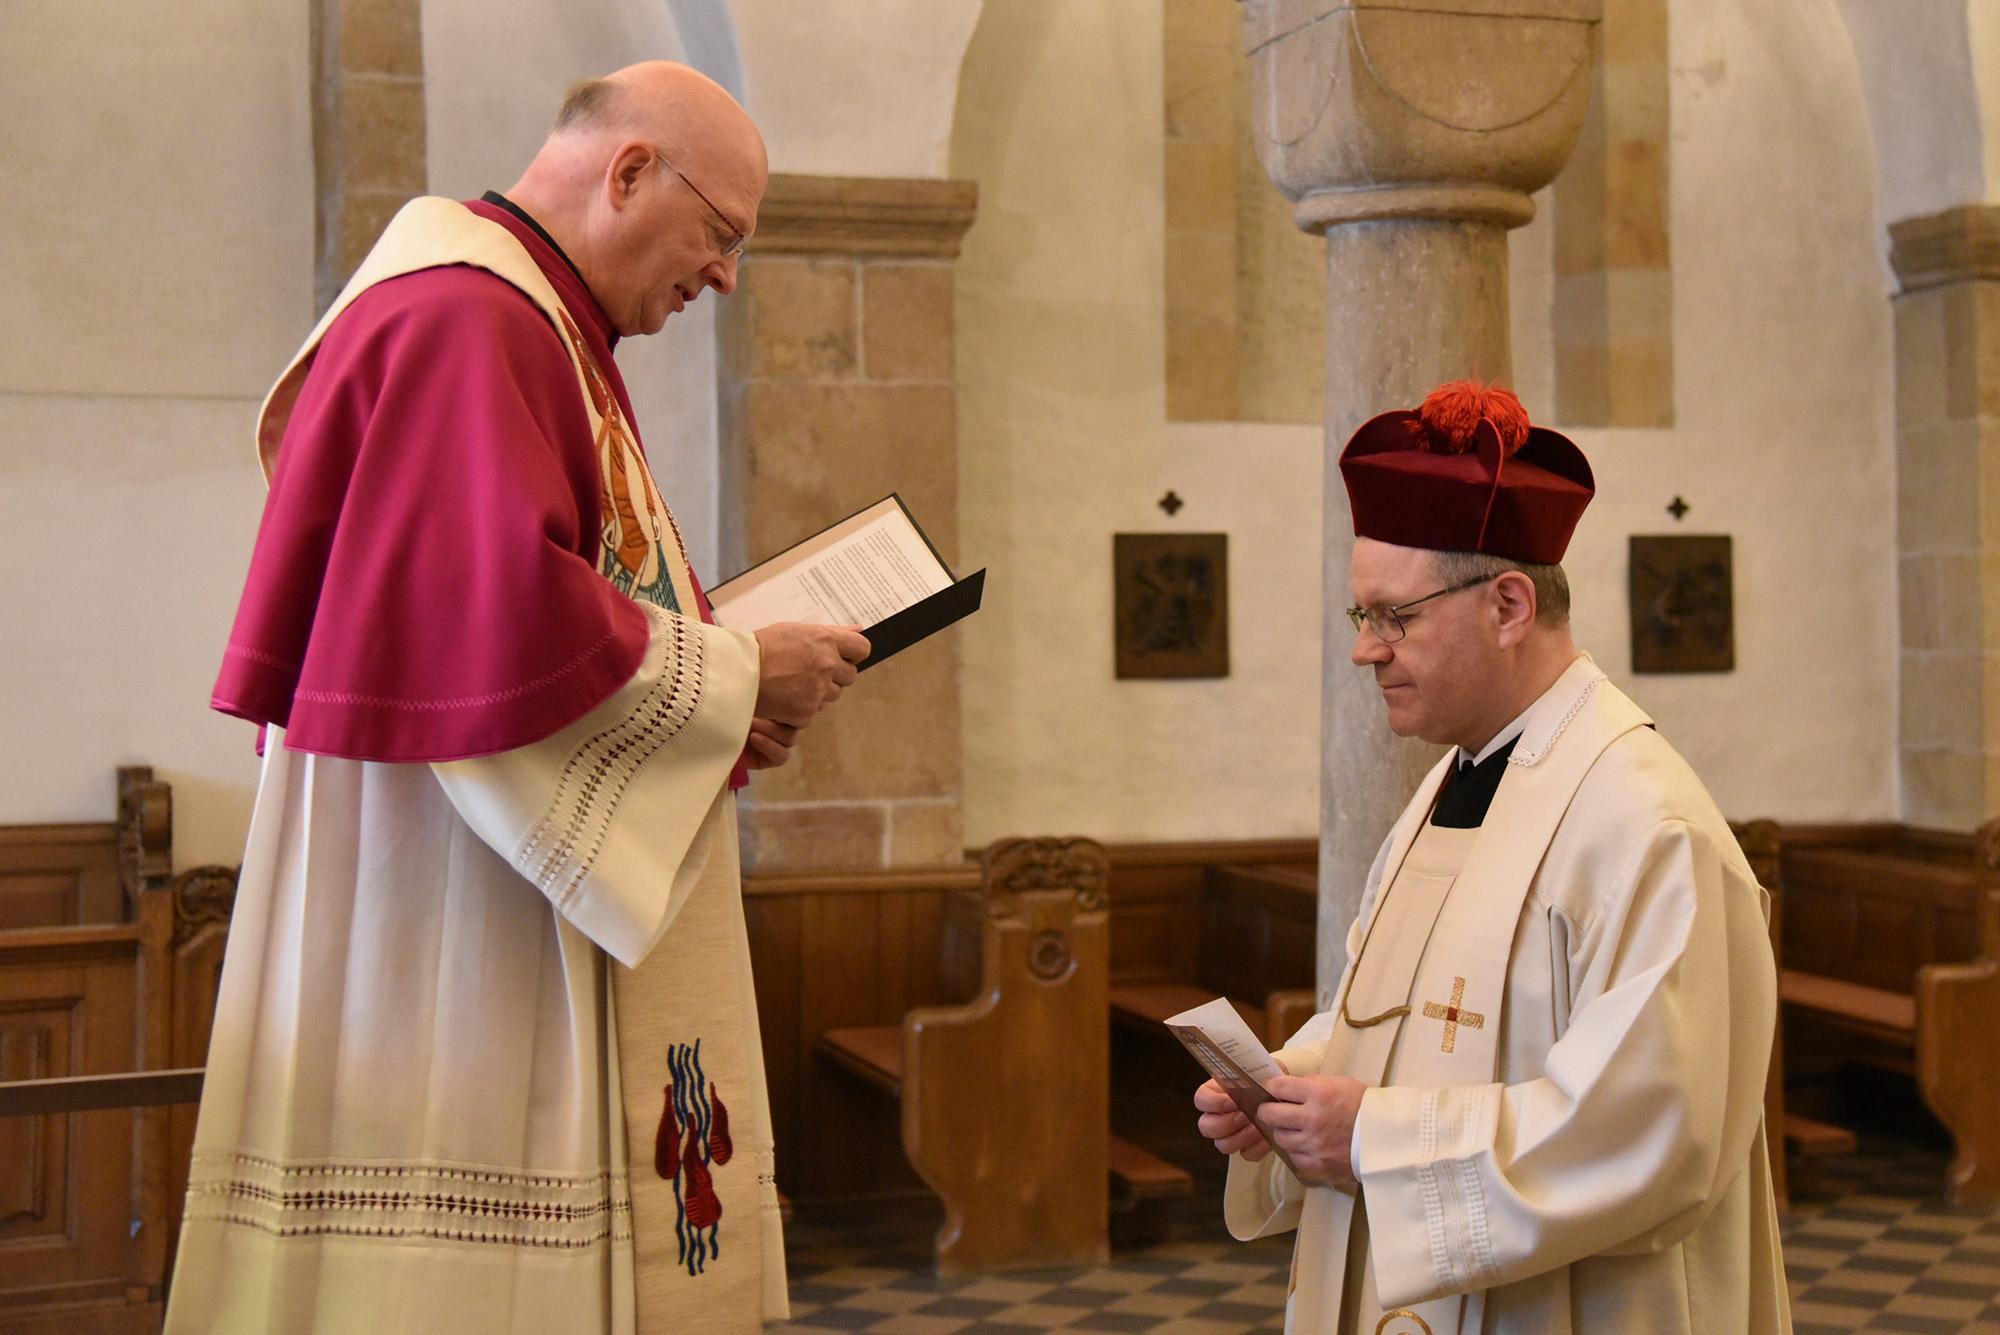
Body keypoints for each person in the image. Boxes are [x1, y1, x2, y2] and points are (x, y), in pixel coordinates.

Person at [167, 62, 865, 1334]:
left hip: (475, 860)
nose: (723, 277)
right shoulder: (468, 319)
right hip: (451, 903)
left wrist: (722, 698)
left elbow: (547, 605)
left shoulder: (526, 322)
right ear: (630, 171)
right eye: (720, 234)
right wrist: (739, 673)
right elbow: (493, 621)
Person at [1195, 383, 1790, 1334]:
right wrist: (1292, 1087)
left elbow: (1650, 1131)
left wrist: (1372, 1136)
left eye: (1393, 616)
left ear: (1510, 604)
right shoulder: (1454, 781)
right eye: (1360, 614)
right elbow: (1395, 1017)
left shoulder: (1646, 824)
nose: (1364, 650)